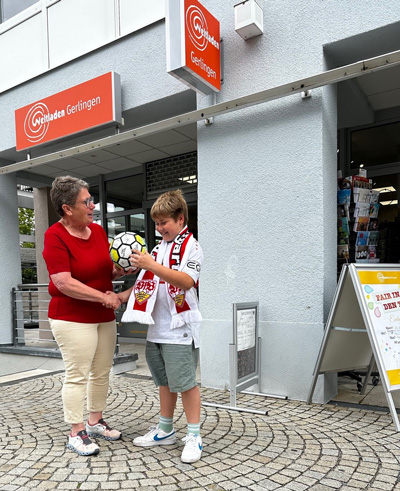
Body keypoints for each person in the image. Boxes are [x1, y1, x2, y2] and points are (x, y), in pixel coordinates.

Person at [117, 190, 204, 463]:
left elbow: (186, 281)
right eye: (156, 223)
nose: (159, 228)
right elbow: (146, 282)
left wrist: (151, 265)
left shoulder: (192, 247)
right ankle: (165, 429)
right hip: (156, 329)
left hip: (180, 329)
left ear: (180, 219)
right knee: (164, 383)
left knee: (186, 384)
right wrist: (121, 297)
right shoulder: (157, 249)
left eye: (164, 222)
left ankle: (194, 435)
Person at [43, 175, 127, 456]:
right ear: (67, 208)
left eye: (92, 199)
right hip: (71, 317)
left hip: (102, 315)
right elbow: (64, 282)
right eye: (87, 201)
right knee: (77, 374)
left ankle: (94, 421)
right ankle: (76, 432)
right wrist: (104, 296)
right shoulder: (54, 236)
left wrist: (120, 272)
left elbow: (104, 271)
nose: (93, 205)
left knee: (102, 371)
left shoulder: (99, 231)